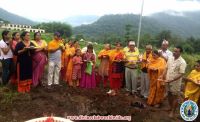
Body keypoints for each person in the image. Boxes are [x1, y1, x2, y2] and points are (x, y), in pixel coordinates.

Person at [162, 46, 187, 118]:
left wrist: (172, 79)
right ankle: (170, 107)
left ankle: (173, 111)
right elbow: (166, 68)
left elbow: (181, 74)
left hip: (175, 83)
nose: (174, 52)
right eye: (173, 51)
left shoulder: (182, 62)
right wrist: (162, 75)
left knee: (175, 96)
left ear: (180, 52)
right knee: (169, 94)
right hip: (167, 80)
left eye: (176, 51)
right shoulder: (170, 58)